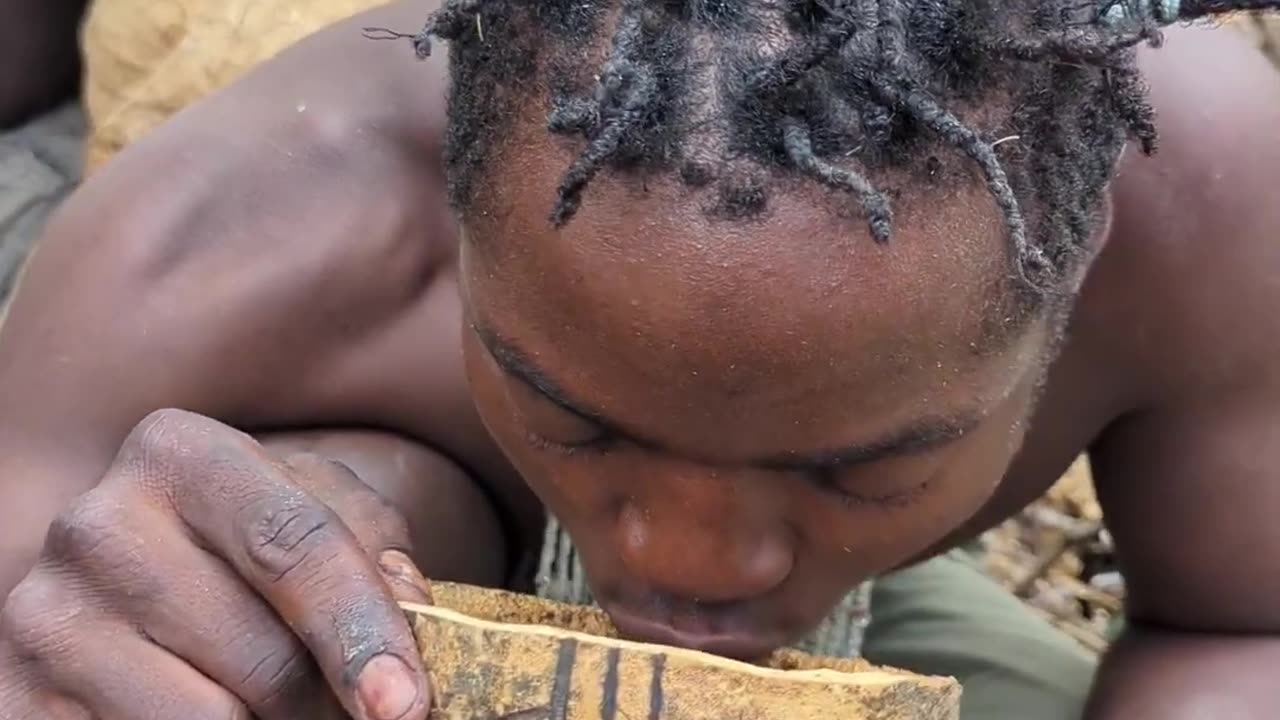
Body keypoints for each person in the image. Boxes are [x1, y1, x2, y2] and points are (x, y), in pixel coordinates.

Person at [1, 0, 1279, 718]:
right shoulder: (217, 247)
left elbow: (1241, 622)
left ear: (1079, 259)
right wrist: (119, 635)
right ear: (458, 216)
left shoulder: (1209, 212)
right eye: (576, 420)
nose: (682, 567)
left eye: (858, 472)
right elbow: (44, 610)